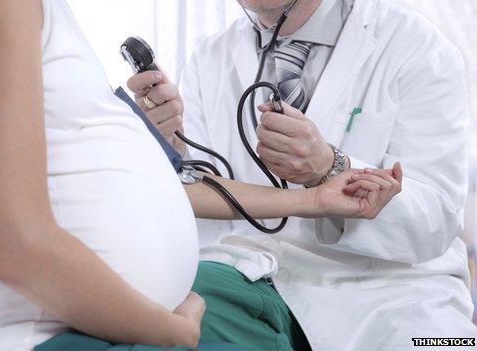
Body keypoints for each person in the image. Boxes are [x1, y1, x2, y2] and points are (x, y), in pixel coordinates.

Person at [0, 0, 400, 350]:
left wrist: (316, 196)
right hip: (53, 330)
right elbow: (17, 244)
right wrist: (172, 329)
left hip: (106, 319)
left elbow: (153, 184)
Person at [127, 0, 477, 350]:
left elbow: (436, 223)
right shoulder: (209, 58)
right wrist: (174, 151)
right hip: (249, 276)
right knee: (123, 331)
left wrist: (330, 166)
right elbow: (206, 213)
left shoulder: (417, 46)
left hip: (388, 293)